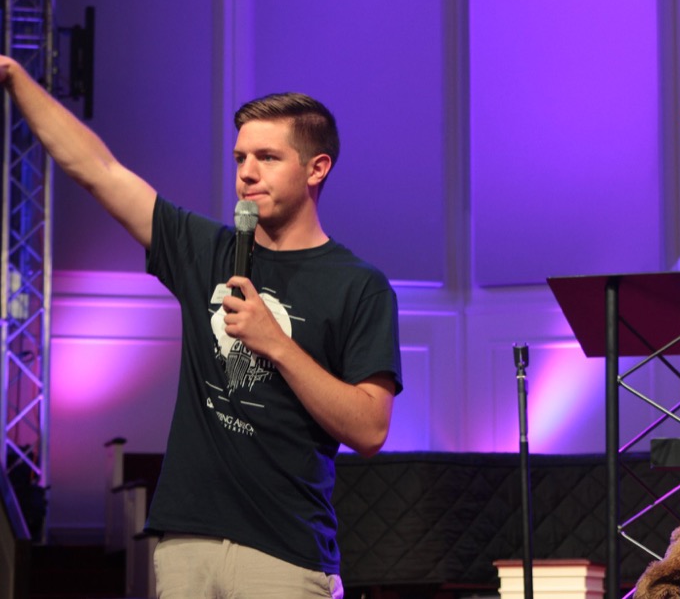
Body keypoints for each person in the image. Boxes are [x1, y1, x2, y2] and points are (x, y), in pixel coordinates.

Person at [0, 56, 402, 598]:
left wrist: (277, 345)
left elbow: (370, 429)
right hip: (187, 543)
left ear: (317, 169)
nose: (247, 172)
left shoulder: (359, 285)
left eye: (267, 157)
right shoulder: (206, 250)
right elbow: (98, 170)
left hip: (284, 552)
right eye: (240, 157)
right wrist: (14, 77)